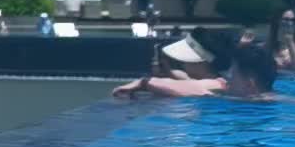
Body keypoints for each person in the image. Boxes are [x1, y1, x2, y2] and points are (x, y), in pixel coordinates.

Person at [113, 41, 278, 101]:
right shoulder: (279, 100)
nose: (229, 78)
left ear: (249, 85)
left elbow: (198, 91)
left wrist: (144, 83)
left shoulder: (226, 95)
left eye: (233, 75)